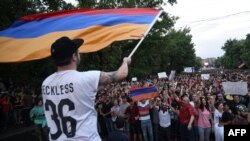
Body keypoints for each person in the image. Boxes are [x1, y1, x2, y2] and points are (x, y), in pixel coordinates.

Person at [42, 36, 131, 141]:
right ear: (74, 56)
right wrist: (125, 62)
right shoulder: (85, 78)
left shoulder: (46, 83)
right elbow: (121, 74)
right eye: (78, 52)